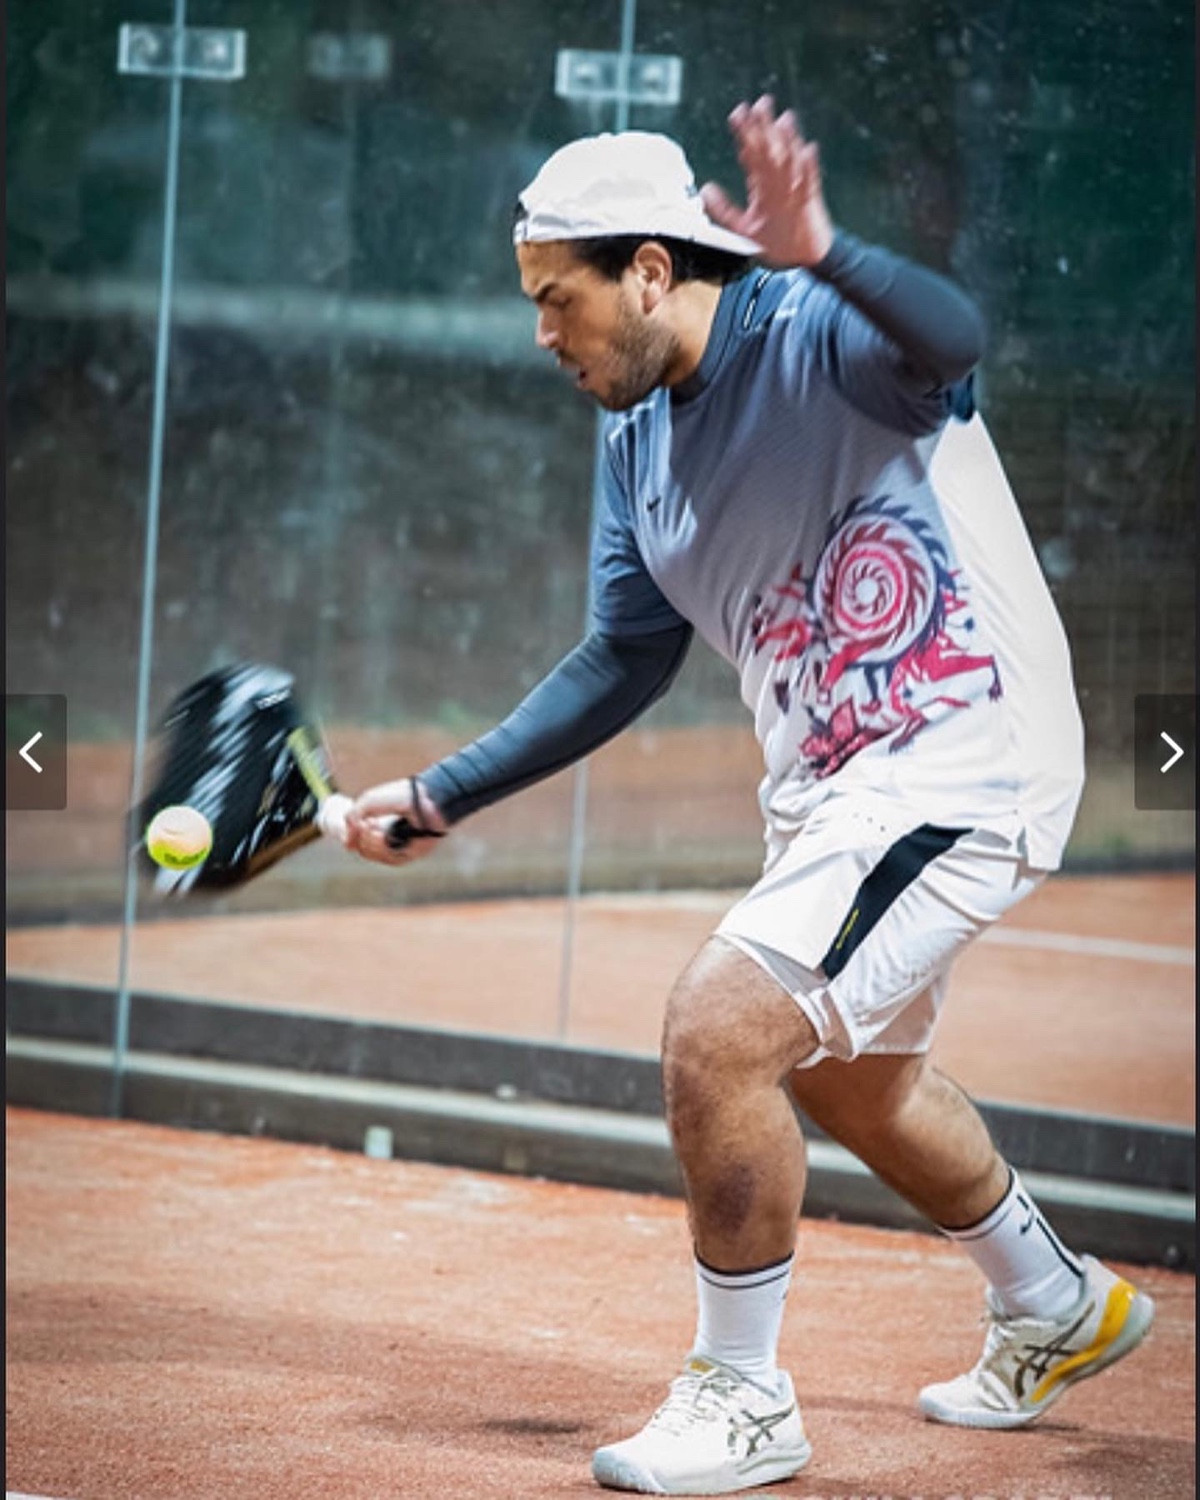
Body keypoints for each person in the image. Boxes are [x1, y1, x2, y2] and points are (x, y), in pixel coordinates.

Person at [333, 98, 1155, 1497]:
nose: (542, 335)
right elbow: (623, 655)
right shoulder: (634, 439)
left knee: (719, 1034)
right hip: (834, 788)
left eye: (556, 298)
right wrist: (443, 791)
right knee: (848, 1075)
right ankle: (1054, 1300)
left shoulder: (818, 333)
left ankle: (743, 1395)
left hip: (962, 757)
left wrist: (825, 248)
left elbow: (953, 339)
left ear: (651, 271)